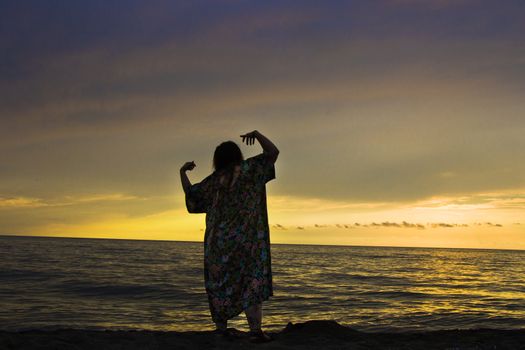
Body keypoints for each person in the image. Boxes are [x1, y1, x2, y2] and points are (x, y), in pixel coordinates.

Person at [180, 130, 279, 343]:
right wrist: (258, 135)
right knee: (251, 281)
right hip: (247, 242)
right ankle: (255, 331)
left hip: (218, 244)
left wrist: (182, 172)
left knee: (219, 283)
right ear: (237, 156)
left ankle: (221, 329)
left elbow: (192, 196)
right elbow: (273, 152)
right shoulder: (249, 170)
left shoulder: (213, 181)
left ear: (217, 160)